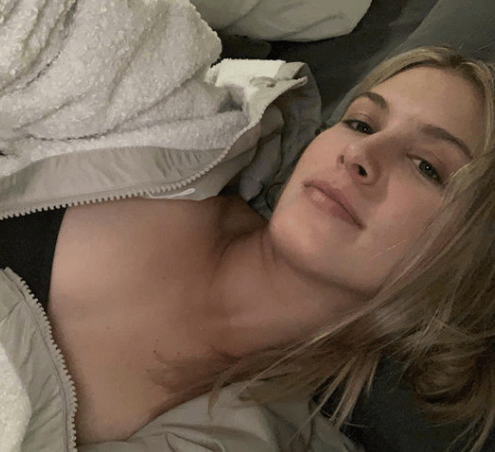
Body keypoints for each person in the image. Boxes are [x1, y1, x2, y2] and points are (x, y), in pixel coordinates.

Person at [0, 2, 494, 452]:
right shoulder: (172, 116)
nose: (359, 154)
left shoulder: (252, 439)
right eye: (361, 123)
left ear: (472, 262)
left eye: (427, 167)